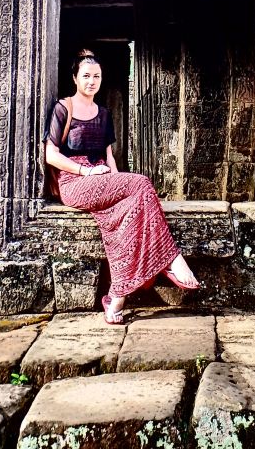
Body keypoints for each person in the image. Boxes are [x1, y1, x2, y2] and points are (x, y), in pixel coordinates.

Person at [45, 50, 199, 324]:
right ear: (75, 78)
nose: (92, 81)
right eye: (86, 76)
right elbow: (51, 155)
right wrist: (86, 171)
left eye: (96, 76)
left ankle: (116, 298)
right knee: (142, 182)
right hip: (74, 181)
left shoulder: (103, 114)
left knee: (134, 205)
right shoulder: (63, 109)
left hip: (102, 178)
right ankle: (170, 258)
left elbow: (109, 158)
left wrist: (115, 186)